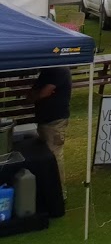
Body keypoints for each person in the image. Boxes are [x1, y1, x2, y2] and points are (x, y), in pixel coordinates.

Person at [27, 66, 72, 197]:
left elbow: (43, 92)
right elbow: (31, 94)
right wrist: (37, 94)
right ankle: (48, 190)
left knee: (55, 156)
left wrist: (38, 94)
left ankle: (60, 194)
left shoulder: (60, 70)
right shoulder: (47, 71)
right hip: (44, 120)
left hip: (55, 121)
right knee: (46, 156)